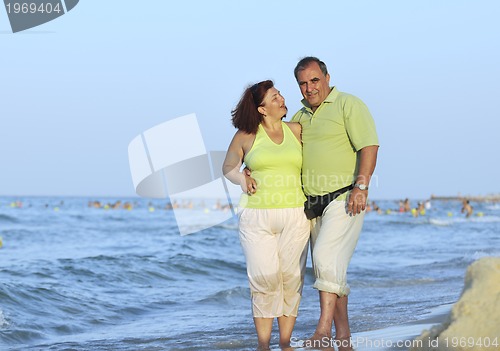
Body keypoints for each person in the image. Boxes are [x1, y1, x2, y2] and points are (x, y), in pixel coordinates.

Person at [291, 57, 379, 350]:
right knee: (330, 270)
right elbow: (279, 146)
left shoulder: (348, 104)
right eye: (303, 83)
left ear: (327, 77)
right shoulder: (300, 116)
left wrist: (361, 186)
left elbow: (369, 145)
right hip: (312, 204)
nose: (309, 88)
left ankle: (322, 332)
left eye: (314, 80)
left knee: (327, 260)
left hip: (345, 196)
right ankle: (344, 339)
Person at [222, 80, 310, 350]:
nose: (282, 99)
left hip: (296, 214)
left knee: (291, 279)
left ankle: (285, 344)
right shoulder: (245, 135)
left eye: (280, 94)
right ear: (261, 109)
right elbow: (227, 167)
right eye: (275, 97)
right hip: (256, 217)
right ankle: (263, 345)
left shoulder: (296, 130)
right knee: (263, 279)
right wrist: (241, 178)